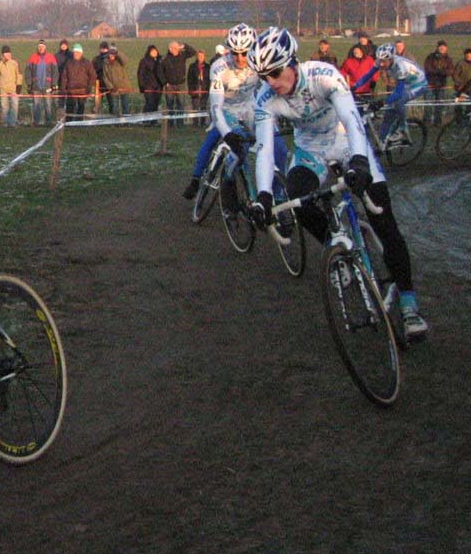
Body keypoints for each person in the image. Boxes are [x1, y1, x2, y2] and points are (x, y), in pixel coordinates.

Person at [249, 27, 427, 341]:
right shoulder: (265, 98)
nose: (271, 81)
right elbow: (264, 149)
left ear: (292, 62)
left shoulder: (323, 75)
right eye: (263, 75)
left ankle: (409, 301)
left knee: (383, 219)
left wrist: (359, 160)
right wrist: (263, 196)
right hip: (310, 150)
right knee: (298, 201)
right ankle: (336, 245)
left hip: (347, 141)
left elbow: (352, 119)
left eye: (275, 72)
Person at [182, 24, 286, 200]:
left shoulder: (259, 61)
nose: (239, 58)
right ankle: (203, 179)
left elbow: (274, 87)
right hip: (225, 109)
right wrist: (228, 133)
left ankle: (279, 197)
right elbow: (216, 108)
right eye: (234, 52)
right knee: (232, 144)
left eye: (244, 52)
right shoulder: (219, 67)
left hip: (249, 106)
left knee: (280, 149)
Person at [355, 44, 427, 146]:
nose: (382, 64)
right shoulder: (380, 61)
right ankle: (382, 142)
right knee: (389, 112)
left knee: (399, 101)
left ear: (391, 59)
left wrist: (382, 102)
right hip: (406, 83)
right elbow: (368, 75)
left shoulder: (400, 66)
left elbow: (398, 93)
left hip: (418, 83)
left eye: (384, 61)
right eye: (380, 60)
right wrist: (354, 86)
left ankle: (402, 129)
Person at [161, 40, 196, 126]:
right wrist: (165, 83)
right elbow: (160, 72)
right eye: (174, 48)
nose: (176, 50)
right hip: (169, 85)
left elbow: (193, 52)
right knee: (170, 104)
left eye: (177, 48)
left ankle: (180, 123)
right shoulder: (165, 58)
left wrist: (184, 45)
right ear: (170, 49)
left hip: (181, 84)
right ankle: (170, 123)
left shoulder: (182, 55)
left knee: (181, 104)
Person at [25, 40, 59, 126]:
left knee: (48, 104)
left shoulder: (51, 57)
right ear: (37, 47)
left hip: (47, 85)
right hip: (36, 86)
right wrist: (29, 84)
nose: (41, 48)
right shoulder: (32, 57)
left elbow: (55, 72)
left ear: (45, 47)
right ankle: (37, 122)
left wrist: (54, 84)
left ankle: (48, 122)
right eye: (39, 47)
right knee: (36, 105)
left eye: (42, 47)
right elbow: (28, 72)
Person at [59, 44, 96, 121]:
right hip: (71, 90)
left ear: (81, 53)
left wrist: (89, 87)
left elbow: (92, 76)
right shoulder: (68, 63)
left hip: (83, 90)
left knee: (81, 107)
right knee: (70, 107)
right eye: (75, 52)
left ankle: (79, 123)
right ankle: (69, 123)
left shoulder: (87, 63)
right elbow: (64, 77)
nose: (76, 54)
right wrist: (63, 89)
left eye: (78, 52)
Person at [422, 40, 454, 126]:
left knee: (440, 103)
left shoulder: (448, 59)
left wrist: (441, 72)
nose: (442, 48)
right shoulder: (430, 57)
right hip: (430, 84)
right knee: (428, 103)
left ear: (446, 48)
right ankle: (426, 122)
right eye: (440, 47)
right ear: (438, 48)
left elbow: (450, 71)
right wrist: (439, 72)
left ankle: (438, 122)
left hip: (442, 85)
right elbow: (427, 68)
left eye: (444, 47)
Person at [0, 45, 21, 127]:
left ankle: (13, 122)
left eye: (9, 53)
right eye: (6, 53)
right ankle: (5, 122)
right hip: (3, 88)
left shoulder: (15, 63)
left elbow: (19, 74)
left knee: (15, 105)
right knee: (4, 106)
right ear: (2, 54)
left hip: (13, 88)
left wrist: (19, 85)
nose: (8, 55)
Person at [101, 46, 129, 118]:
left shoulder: (120, 61)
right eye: (110, 54)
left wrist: (118, 52)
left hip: (124, 86)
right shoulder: (105, 63)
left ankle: (126, 121)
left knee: (125, 105)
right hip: (113, 88)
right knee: (115, 105)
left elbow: (125, 60)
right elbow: (105, 77)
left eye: (113, 54)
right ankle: (115, 121)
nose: (112, 55)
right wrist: (111, 87)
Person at [137, 45, 164, 115]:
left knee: (156, 103)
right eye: (152, 51)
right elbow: (140, 74)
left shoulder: (160, 60)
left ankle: (153, 121)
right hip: (148, 86)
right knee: (149, 103)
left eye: (155, 51)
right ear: (149, 52)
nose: (154, 53)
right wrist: (142, 86)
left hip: (158, 86)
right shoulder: (144, 61)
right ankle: (145, 120)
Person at [187, 48, 210, 126]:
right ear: (197, 56)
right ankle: (195, 123)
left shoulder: (208, 67)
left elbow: (209, 79)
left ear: (204, 57)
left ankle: (203, 122)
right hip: (195, 89)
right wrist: (190, 90)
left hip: (205, 89)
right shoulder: (192, 66)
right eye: (199, 56)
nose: (200, 57)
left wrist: (208, 89)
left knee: (203, 106)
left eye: (202, 56)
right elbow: (189, 79)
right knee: (195, 107)